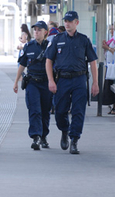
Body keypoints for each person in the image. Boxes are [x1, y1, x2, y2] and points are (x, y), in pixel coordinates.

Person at [45, 11, 99, 154]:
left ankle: (74, 139)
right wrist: (51, 80)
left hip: (79, 79)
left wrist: (96, 83)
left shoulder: (84, 40)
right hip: (62, 79)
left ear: (77, 23)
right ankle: (64, 130)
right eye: (65, 21)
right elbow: (48, 60)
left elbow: (93, 62)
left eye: (70, 21)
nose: (67, 23)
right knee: (60, 110)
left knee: (78, 111)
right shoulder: (57, 39)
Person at [13, 21, 51, 150]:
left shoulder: (51, 47)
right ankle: (36, 137)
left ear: (45, 32)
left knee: (45, 111)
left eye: (39, 30)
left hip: (46, 83)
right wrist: (16, 81)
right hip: (32, 82)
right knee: (34, 110)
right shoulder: (28, 46)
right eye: (35, 30)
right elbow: (22, 65)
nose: (36, 32)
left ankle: (44, 136)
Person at [101, 23, 115, 115]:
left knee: (114, 85)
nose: (111, 31)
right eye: (110, 29)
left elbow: (114, 50)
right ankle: (113, 106)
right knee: (110, 87)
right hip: (110, 66)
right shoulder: (112, 39)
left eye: (113, 29)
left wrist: (106, 47)